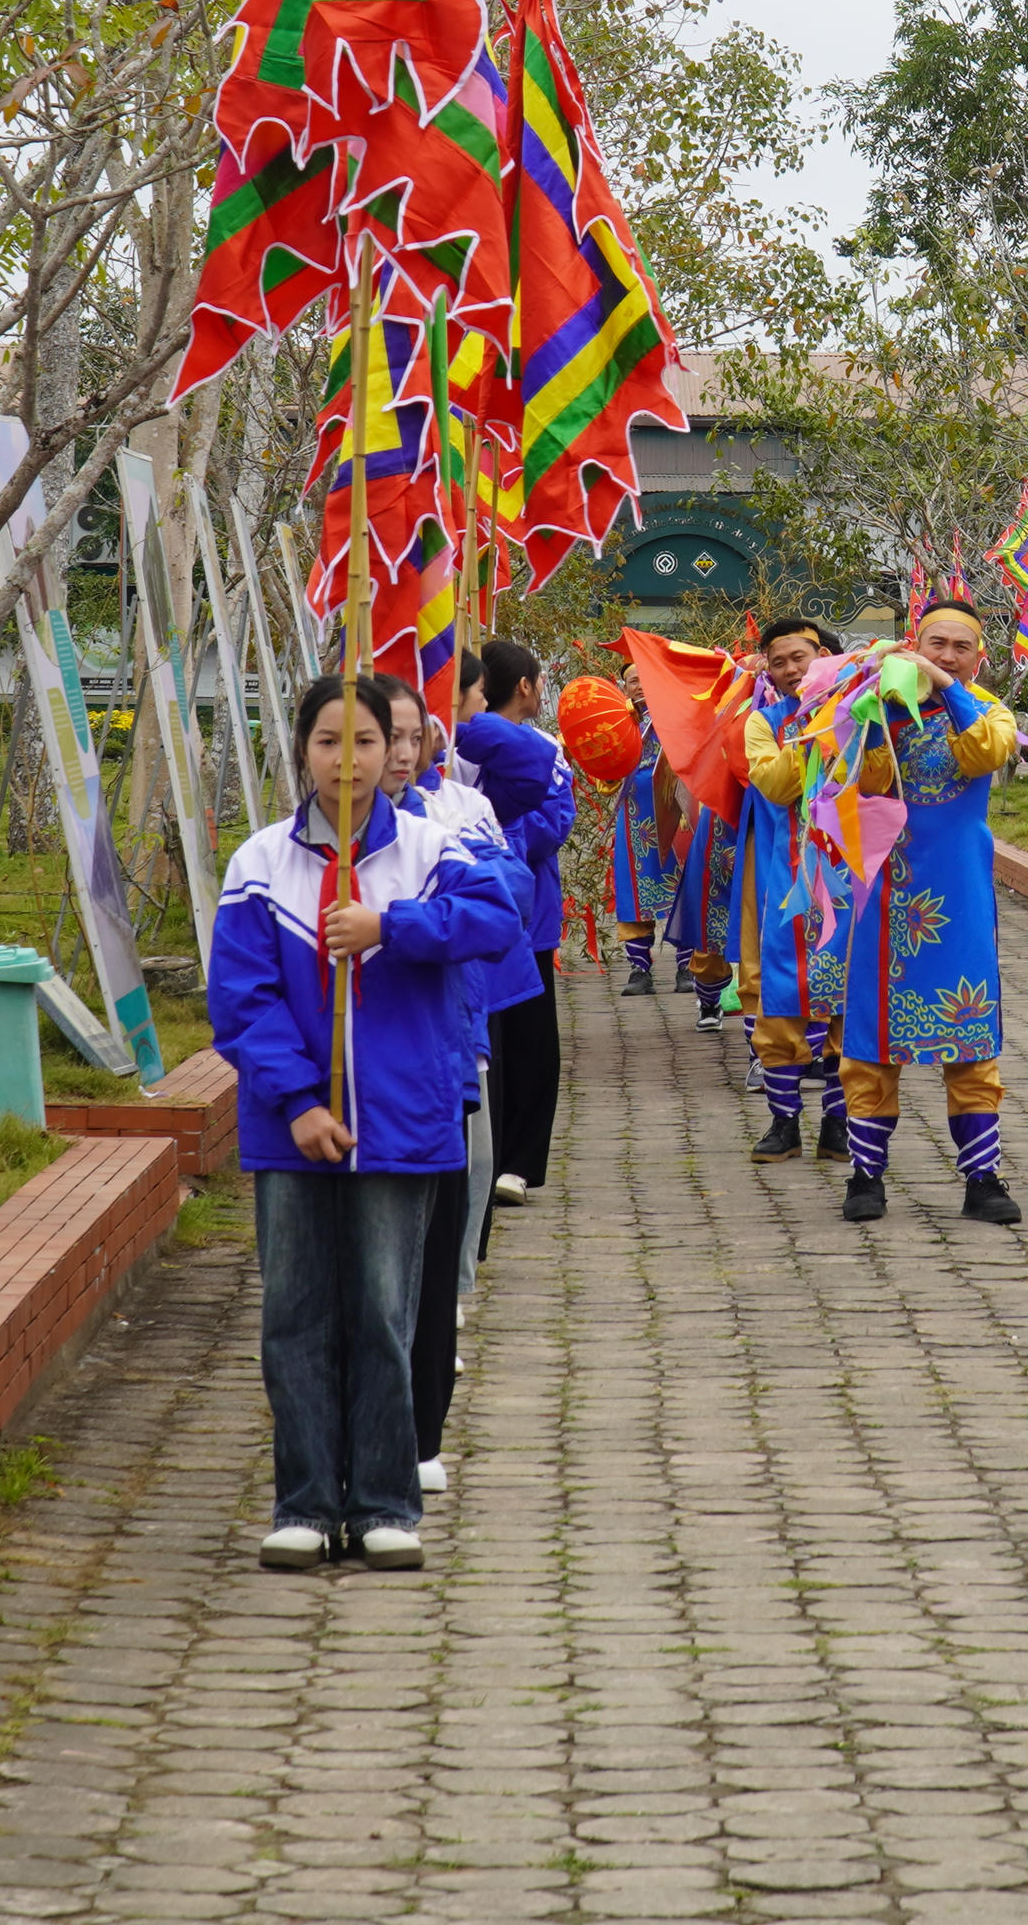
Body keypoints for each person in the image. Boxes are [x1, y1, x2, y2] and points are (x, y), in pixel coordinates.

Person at [214, 672, 523, 1573]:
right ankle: (306, 1502)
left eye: (364, 742)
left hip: (403, 1123)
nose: (346, 761)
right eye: (326, 743)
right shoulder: (260, 863)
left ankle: (386, 1500)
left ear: (399, 749)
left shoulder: (433, 847)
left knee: (387, 1316)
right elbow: (242, 1001)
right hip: (294, 1132)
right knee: (297, 1318)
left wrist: (391, 923)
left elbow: (494, 921)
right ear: (302, 751)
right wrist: (301, 1102)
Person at [822, 601, 1025, 1224]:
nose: (947, 655)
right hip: (887, 892)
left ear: (979, 656)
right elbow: (865, 784)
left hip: (958, 898)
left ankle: (982, 1179)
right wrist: (880, 707)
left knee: (968, 1039)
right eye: (935, 644)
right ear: (915, 642)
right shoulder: (875, 707)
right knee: (873, 1041)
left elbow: (986, 754)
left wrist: (947, 689)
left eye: (961, 647)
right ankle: (866, 1177)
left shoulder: (990, 710)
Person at [380, 674, 517, 1502]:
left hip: (442, 1055)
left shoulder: (450, 822)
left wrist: (397, 927)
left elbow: (505, 907)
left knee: (436, 1240)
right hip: (342, 1088)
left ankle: (420, 1424)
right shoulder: (280, 850)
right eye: (366, 737)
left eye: (405, 736)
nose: (393, 754)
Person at [455, 641, 576, 1205]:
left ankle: (519, 1163)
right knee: (488, 1042)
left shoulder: (541, 749)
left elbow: (553, 823)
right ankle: (486, 1151)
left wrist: (496, 850)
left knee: (528, 1037)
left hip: (527, 916)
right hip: (458, 913)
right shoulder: (451, 743)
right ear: (525, 686)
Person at [738, 617, 853, 1164]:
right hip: (788, 882)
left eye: (800, 657)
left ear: (824, 656)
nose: (790, 670)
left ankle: (838, 1120)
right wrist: (814, 726)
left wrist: (839, 714)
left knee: (845, 1001)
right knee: (783, 996)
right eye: (779, 661)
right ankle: (784, 1122)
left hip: (851, 876)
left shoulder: (863, 712)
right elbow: (779, 784)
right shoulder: (762, 724)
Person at [604, 672, 685, 998]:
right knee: (634, 893)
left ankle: (687, 966)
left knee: (684, 887)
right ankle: (639, 968)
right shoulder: (617, 721)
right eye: (632, 680)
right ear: (624, 687)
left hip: (677, 810)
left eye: (645, 676)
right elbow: (605, 778)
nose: (640, 684)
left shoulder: (677, 715)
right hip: (634, 815)